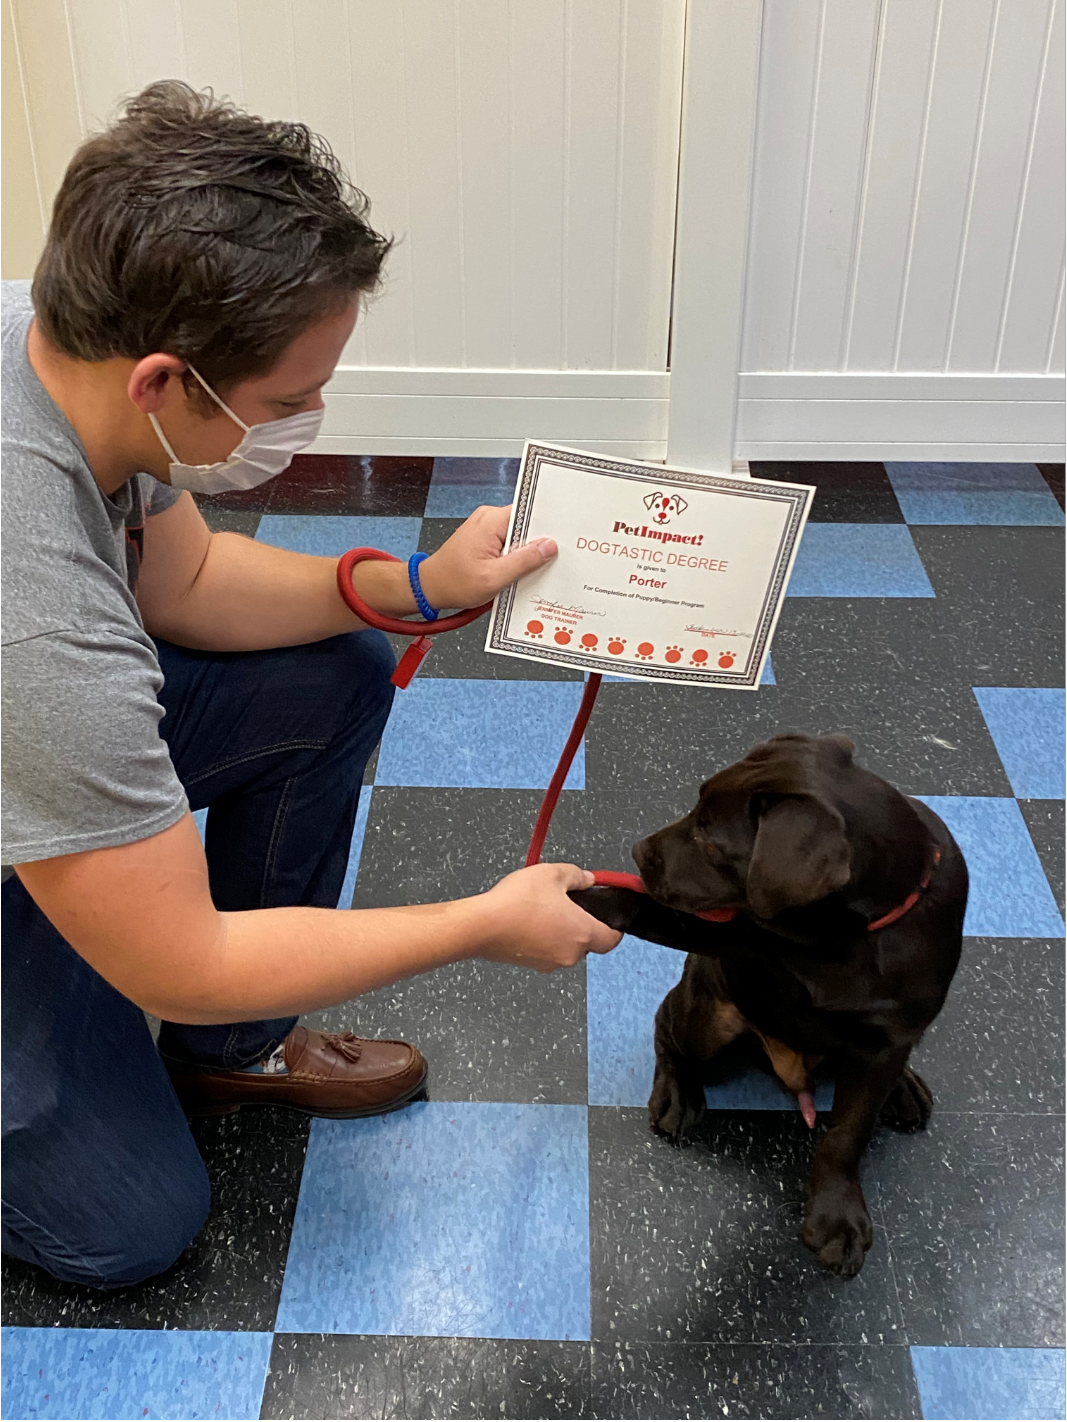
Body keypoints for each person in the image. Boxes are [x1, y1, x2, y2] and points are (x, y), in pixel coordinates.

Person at [1, 81, 620, 1291]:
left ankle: (211, 1040)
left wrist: (409, 584)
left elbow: (183, 584)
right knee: (133, 1224)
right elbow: (177, 959)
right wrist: (479, 926)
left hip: (34, 746)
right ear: (165, 381)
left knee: (328, 671)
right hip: (32, 728)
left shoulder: (57, 338)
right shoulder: (37, 620)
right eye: (289, 402)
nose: (312, 420)